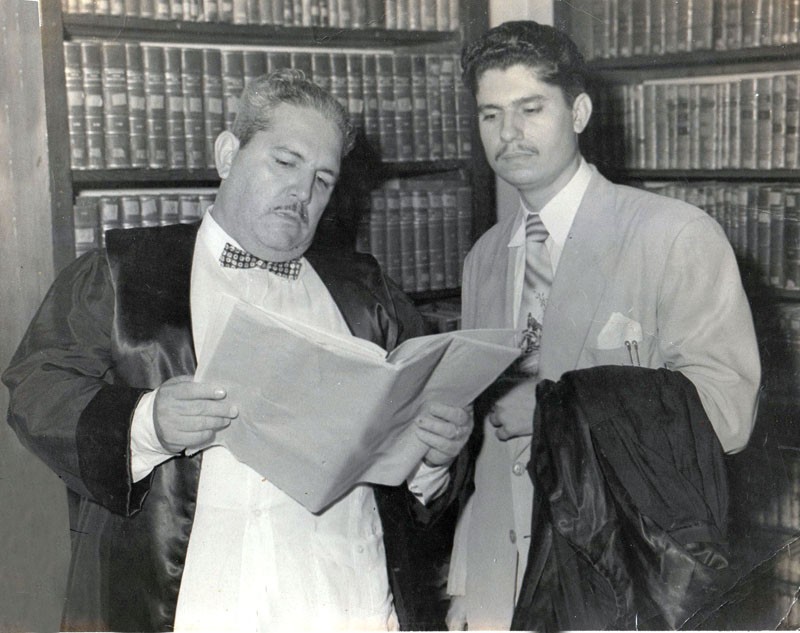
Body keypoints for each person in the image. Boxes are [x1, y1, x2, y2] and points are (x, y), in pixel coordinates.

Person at [3, 69, 473, 632]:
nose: (303, 192)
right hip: (188, 600)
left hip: (347, 595)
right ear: (228, 154)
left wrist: (435, 458)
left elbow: (412, 460)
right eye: (285, 161)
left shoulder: (366, 294)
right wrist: (146, 419)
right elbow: (38, 387)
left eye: (324, 179)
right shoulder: (124, 272)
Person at [446, 21, 761, 630]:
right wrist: (469, 580)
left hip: (620, 579)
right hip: (498, 579)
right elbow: (486, 443)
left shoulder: (673, 235)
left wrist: (559, 411)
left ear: (580, 111)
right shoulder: (484, 256)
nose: (507, 135)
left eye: (530, 109)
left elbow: (728, 414)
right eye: (490, 115)